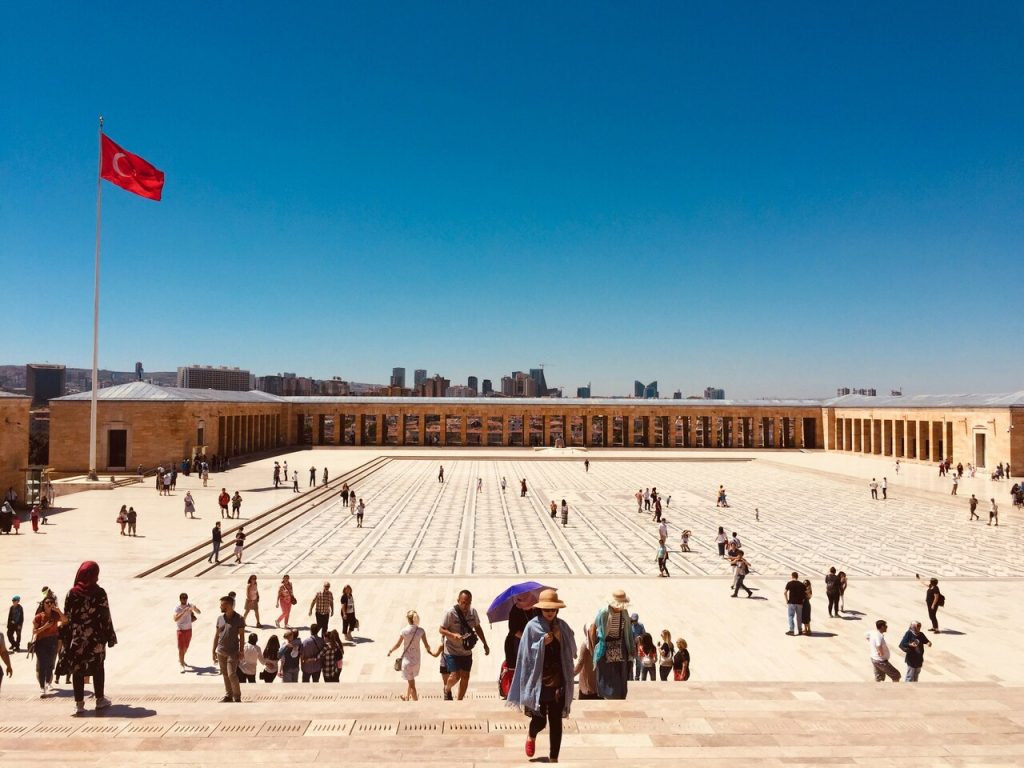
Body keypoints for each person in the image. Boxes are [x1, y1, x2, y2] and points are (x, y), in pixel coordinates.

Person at [507, 589, 576, 764]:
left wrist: (561, 639)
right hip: (539, 681)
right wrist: (541, 644)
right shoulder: (532, 627)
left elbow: (573, 651)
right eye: (547, 609)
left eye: (553, 609)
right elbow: (524, 654)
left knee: (556, 721)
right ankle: (531, 735)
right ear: (540, 609)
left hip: (559, 680)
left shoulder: (563, 626)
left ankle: (554, 758)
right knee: (540, 721)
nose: (550, 612)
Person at [62, 561, 117, 715]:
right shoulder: (99, 593)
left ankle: (79, 704)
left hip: (78, 638)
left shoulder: (72, 593)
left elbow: (67, 617)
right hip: (96, 638)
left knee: (77, 670)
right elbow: (106, 616)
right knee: (98, 668)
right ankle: (100, 699)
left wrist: (66, 639)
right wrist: (110, 636)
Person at [439, 589, 490, 701]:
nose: (465, 605)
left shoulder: (473, 612)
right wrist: (452, 634)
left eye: (468, 603)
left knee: (465, 676)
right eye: (463, 602)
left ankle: (459, 701)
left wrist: (485, 644)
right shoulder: (450, 613)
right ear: (458, 600)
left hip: (466, 650)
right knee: (456, 675)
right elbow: (441, 629)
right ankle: (447, 689)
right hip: (452, 650)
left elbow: (478, 627)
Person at [388, 610, 441, 701]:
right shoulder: (421, 631)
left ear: (408, 620)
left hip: (407, 662)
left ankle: (415, 703)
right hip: (416, 661)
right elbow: (427, 646)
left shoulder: (404, 631)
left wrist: (390, 651)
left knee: (412, 685)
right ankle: (406, 697)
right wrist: (431, 652)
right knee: (411, 680)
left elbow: (397, 645)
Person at [591, 589, 633, 699]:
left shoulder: (624, 612)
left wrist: (631, 647)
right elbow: (593, 627)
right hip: (605, 646)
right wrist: (593, 648)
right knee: (607, 673)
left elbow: (627, 630)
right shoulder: (604, 613)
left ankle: (619, 695)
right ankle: (608, 695)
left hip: (620, 645)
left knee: (620, 673)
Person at [212, 593, 245, 702]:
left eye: (222, 605)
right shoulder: (220, 618)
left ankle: (237, 696)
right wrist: (213, 650)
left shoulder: (239, 618)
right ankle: (228, 695)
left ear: (229, 605)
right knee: (225, 674)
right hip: (221, 651)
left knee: (231, 674)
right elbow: (217, 635)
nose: (220, 607)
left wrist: (241, 651)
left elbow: (242, 635)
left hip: (232, 652)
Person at [32, 593, 65, 696]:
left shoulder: (55, 615)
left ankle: (47, 683)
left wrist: (58, 610)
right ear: (43, 604)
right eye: (47, 602)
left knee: (50, 665)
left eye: (51, 602)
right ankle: (42, 688)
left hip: (53, 641)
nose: (49, 604)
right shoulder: (38, 617)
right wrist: (45, 627)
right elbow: (34, 631)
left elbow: (65, 620)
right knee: (42, 665)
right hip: (41, 642)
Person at [173, 592, 200, 671]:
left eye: (185, 598)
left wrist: (195, 608)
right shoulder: (177, 608)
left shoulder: (190, 606)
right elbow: (175, 619)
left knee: (186, 647)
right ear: (180, 599)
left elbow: (199, 612)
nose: (184, 600)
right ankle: (181, 664)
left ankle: (181, 659)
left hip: (189, 629)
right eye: (183, 599)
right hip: (180, 630)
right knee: (181, 648)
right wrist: (183, 611)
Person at [574, 622, 598, 699]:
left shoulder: (586, 645)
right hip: (599, 684)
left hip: (587, 683)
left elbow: (580, 663)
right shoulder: (600, 643)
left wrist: (571, 675)